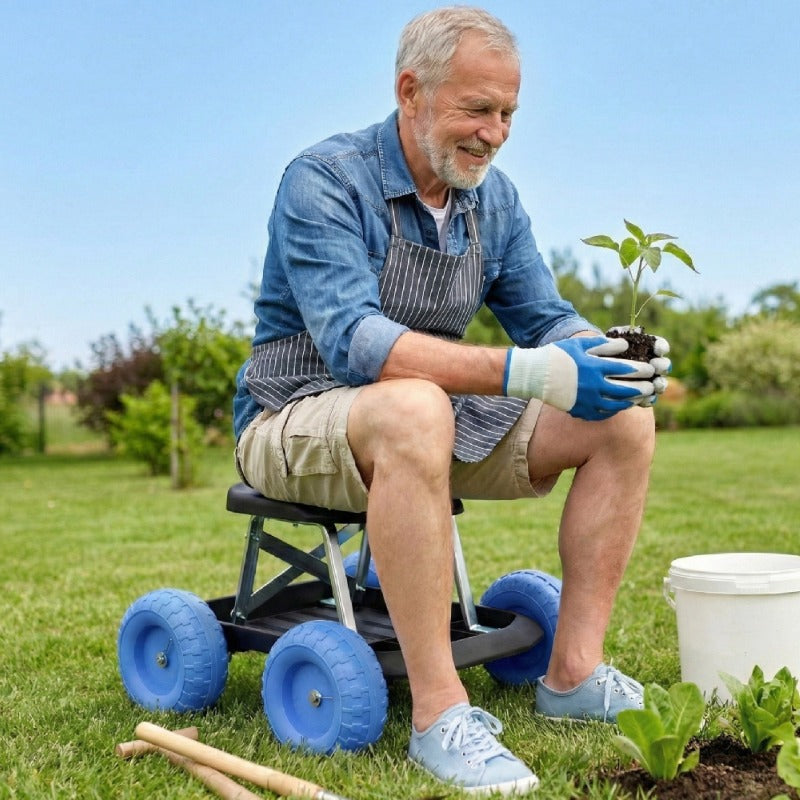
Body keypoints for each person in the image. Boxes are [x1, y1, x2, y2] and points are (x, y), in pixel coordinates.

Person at [233, 6, 669, 795]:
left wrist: (610, 355)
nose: (495, 134)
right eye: (478, 109)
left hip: (431, 415)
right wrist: (527, 372)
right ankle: (440, 715)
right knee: (414, 404)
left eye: (507, 114)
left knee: (624, 423)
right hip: (293, 411)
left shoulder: (492, 202)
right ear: (411, 90)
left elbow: (546, 317)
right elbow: (355, 344)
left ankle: (573, 674)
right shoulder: (324, 180)